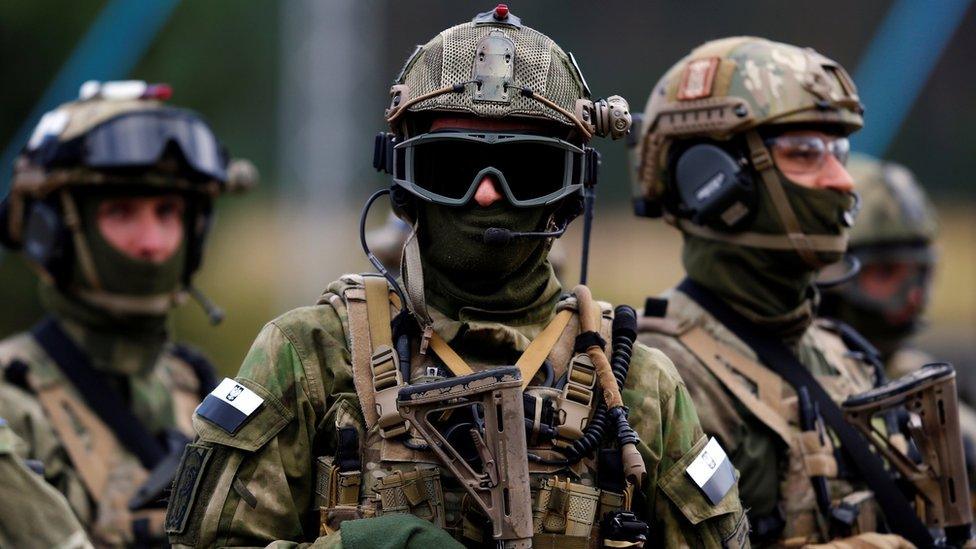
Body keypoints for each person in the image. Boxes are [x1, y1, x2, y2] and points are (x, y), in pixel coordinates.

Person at [167, 6, 747, 548]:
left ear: (568, 192)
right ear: (403, 182)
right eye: (453, 166)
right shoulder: (312, 355)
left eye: (525, 168)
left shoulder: (636, 384)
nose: (488, 191)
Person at [629, 37, 927, 547]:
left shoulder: (844, 356)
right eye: (806, 154)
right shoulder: (656, 378)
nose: (841, 181)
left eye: (839, 152)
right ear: (712, 179)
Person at [0, 80, 253, 546]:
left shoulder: (200, 389)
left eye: (167, 212)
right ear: (49, 231)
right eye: (120, 212)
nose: (152, 244)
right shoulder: (11, 401)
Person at [818, 153, 939, 381]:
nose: (913, 297)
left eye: (919, 275)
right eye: (886, 272)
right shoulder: (777, 388)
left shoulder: (920, 380)